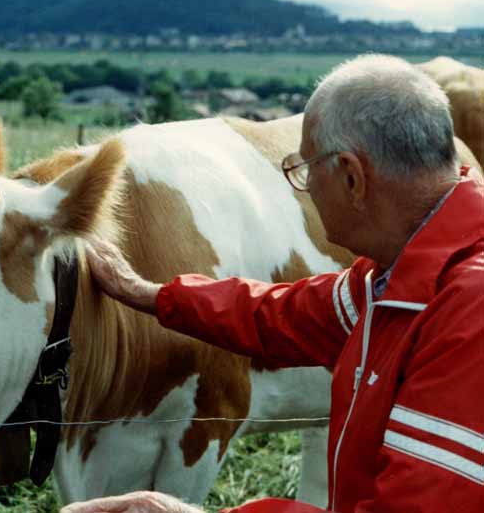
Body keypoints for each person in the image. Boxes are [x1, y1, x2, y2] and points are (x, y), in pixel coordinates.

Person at [60, 55, 484, 513]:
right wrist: (153, 294)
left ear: (351, 177)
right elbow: (288, 314)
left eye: (304, 170)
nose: (303, 189)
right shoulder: (400, 274)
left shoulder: (468, 314)